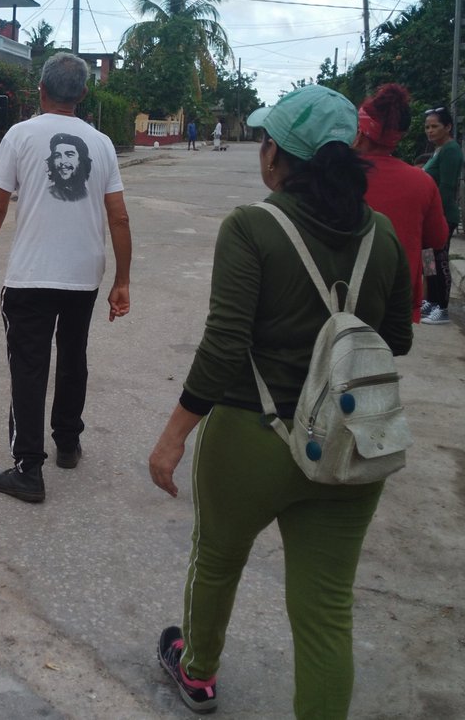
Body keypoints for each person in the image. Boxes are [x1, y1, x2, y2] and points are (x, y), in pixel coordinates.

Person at [148, 84, 413, 717]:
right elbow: (396, 339)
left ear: (277, 155)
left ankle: (199, 670)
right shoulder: (382, 235)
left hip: (253, 438)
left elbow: (224, 346)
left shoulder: (252, 226)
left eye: (266, 140)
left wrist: (174, 434)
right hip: (352, 446)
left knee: (216, 560)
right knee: (325, 615)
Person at [0, 52, 132, 503]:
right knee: (73, 355)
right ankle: (67, 443)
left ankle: (27, 469)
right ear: (82, 94)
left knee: (29, 366)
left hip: (30, 278)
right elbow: (118, 218)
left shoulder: (20, 134)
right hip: (84, 276)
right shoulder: (101, 143)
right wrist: (122, 280)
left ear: (40, 90)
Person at [353, 83, 448, 322]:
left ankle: (438, 303)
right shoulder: (422, 181)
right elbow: (436, 239)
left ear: (361, 130)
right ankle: (433, 301)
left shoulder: (338, 176)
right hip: (397, 298)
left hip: (344, 292)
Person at [422, 105, 463, 325]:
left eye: (435, 126)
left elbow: (446, 188)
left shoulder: (451, 150)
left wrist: (438, 217)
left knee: (440, 261)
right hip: (430, 216)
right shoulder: (438, 149)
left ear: (447, 127)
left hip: (443, 215)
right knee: (428, 260)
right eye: (427, 127)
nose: (430, 131)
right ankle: (430, 301)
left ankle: (442, 308)